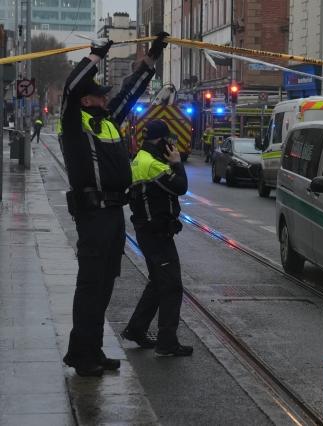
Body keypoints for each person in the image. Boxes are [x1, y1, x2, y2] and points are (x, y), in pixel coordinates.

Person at [61, 33, 170, 377]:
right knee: (91, 285)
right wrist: (95, 55)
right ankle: (81, 355)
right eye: (99, 95)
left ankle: (92, 349)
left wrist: (152, 57)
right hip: (92, 213)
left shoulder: (108, 121)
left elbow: (130, 91)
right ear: (86, 100)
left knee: (105, 284)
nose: (106, 99)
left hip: (112, 213)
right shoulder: (74, 122)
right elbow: (70, 87)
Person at [121, 119, 193, 357]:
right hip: (157, 233)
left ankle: (136, 329)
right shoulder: (153, 165)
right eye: (168, 139)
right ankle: (167, 342)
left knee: (157, 282)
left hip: (148, 230)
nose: (171, 143)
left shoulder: (140, 158)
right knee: (171, 286)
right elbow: (180, 186)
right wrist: (177, 163)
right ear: (160, 140)